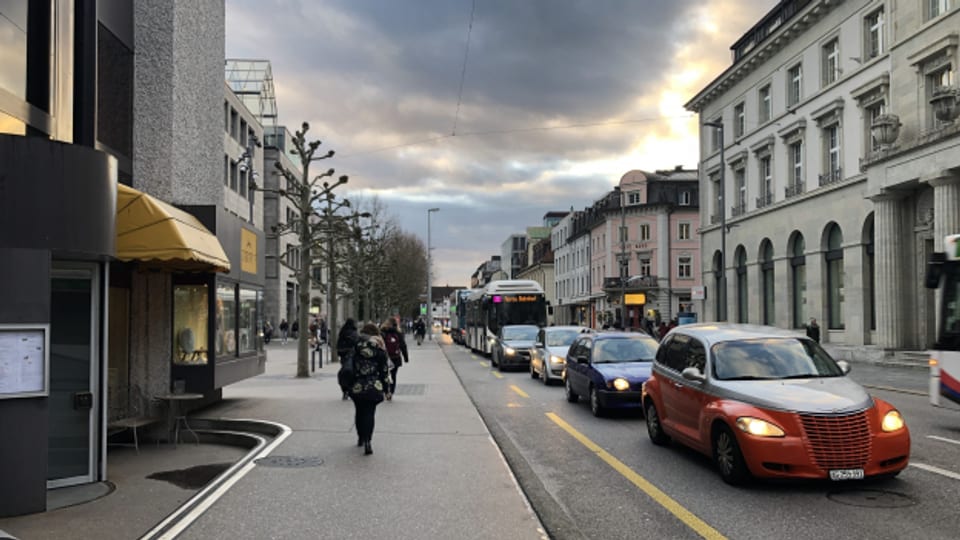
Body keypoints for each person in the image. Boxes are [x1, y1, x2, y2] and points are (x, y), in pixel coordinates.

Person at [348, 323, 392, 455]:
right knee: (370, 413)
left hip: (357, 385)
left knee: (359, 411)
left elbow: (349, 365)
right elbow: (384, 372)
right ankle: (368, 440)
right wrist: (387, 389)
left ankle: (361, 437)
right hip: (373, 385)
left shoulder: (356, 347)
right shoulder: (380, 350)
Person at [380, 318, 409, 400]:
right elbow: (403, 345)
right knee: (393, 375)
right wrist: (406, 357)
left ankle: (385, 391)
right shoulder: (398, 333)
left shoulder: (382, 332)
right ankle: (391, 392)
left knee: (383, 374)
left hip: (384, 357)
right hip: (395, 357)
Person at [337, 318, 360, 400]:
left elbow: (338, 345)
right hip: (353, 356)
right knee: (352, 373)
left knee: (344, 371)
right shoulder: (354, 333)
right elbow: (357, 345)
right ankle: (350, 389)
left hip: (344, 356)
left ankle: (345, 390)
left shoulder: (342, 332)